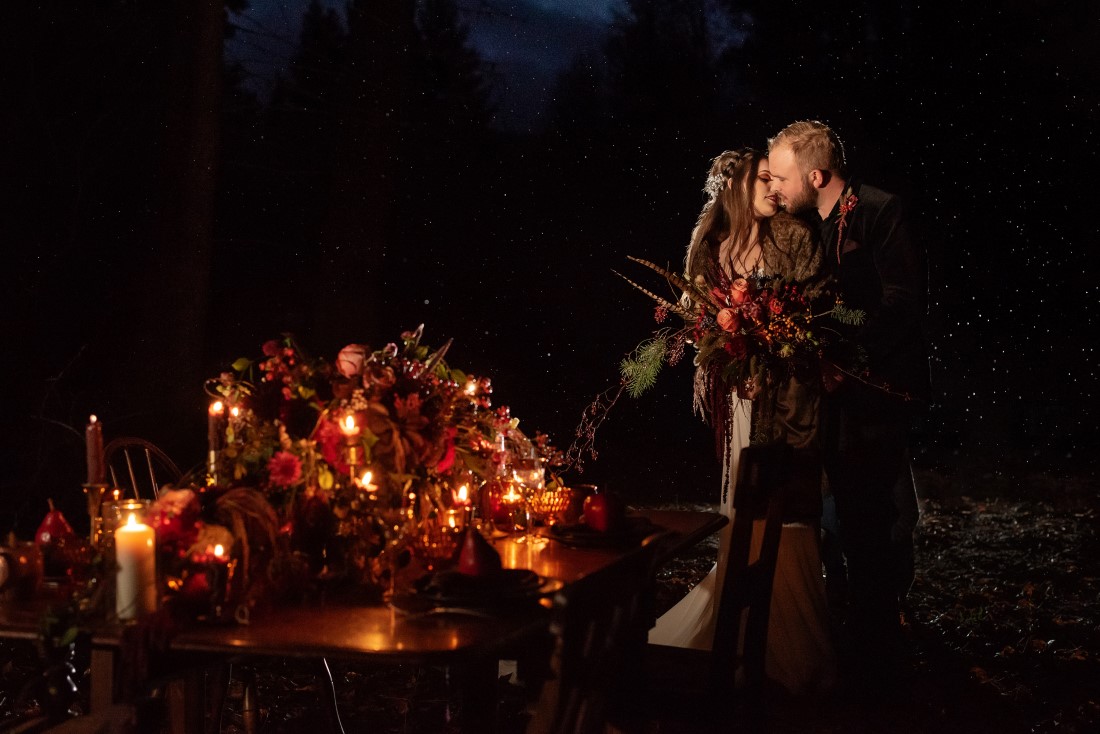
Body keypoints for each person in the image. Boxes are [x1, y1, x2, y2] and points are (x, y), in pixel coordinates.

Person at [648, 148, 836, 696]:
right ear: (735, 185)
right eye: (763, 178)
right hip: (741, 398)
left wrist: (777, 338)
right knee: (741, 506)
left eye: (777, 178)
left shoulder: (793, 236)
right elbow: (699, 323)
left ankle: (786, 640)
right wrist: (730, 350)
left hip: (787, 394)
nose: (775, 187)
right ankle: (736, 622)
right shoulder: (708, 248)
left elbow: (818, 305)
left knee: (784, 507)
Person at [767, 120, 929, 687]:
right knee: (843, 517)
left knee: (874, 520)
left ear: (816, 174)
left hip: (877, 396)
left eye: (783, 176)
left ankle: (878, 658)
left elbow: (903, 303)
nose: (776, 187)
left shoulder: (880, 212)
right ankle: (856, 638)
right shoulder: (808, 226)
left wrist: (848, 364)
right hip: (832, 398)